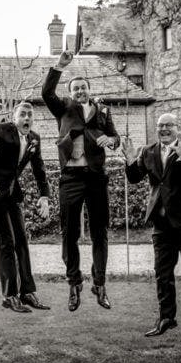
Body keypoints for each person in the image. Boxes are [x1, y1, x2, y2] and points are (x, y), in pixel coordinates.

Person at [41, 51, 120, 311]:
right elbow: (46, 94)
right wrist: (59, 66)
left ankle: (100, 284)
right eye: (75, 89)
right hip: (71, 178)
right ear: (70, 92)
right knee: (69, 234)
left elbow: (115, 138)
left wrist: (111, 141)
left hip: (96, 178)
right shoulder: (63, 107)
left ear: (89, 89)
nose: (80, 92)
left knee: (100, 233)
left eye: (83, 88)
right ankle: (74, 284)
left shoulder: (102, 111)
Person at [123, 113, 181, 342]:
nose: (163, 129)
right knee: (162, 275)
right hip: (161, 225)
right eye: (160, 125)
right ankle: (166, 318)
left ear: (178, 127)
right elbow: (134, 178)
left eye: (168, 125)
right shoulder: (148, 151)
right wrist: (131, 160)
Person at [0, 102, 51, 313]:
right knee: (7, 243)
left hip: (11, 195)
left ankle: (27, 293)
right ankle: (9, 296)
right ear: (15, 117)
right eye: (22, 114)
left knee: (22, 242)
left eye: (30, 115)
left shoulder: (34, 139)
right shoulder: (4, 131)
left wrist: (45, 196)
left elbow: (39, 170)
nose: (27, 118)